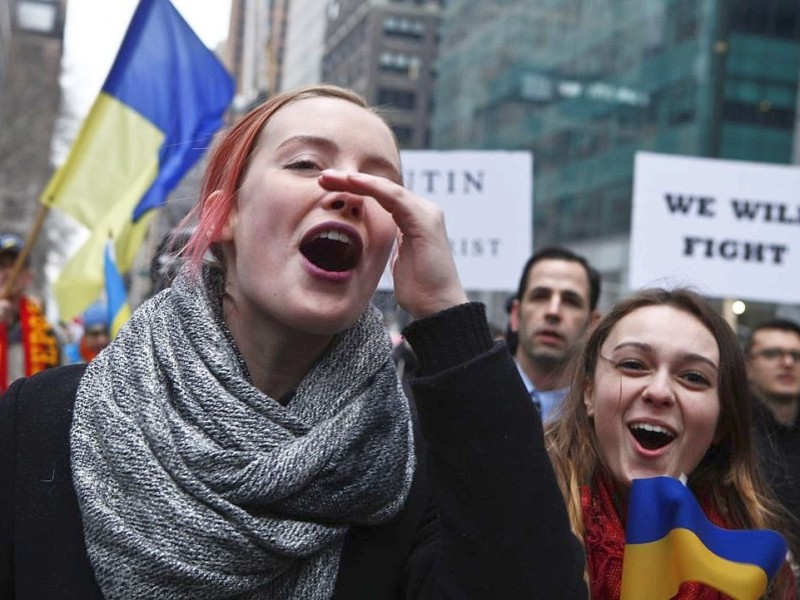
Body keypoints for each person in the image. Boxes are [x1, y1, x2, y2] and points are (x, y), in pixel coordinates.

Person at [0, 85, 586, 599]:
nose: (350, 190)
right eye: (306, 163)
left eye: (380, 181)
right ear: (223, 216)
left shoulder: (416, 465)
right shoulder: (37, 423)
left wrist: (447, 317)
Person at [545, 288, 797, 598]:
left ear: (721, 422)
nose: (660, 391)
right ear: (589, 393)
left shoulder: (761, 571)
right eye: (634, 365)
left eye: (693, 377)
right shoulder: (517, 518)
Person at [508, 246, 601, 421]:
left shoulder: (604, 418)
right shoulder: (475, 395)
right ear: (515, 315)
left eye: (571, 301)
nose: (553, 311)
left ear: (592, 325)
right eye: (540, 296)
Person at [746, 318, 800, 563]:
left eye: (796, 356)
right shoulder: (727, 432)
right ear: (748, 366)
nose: (788, 363)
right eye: (772, 354)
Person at [0, 232, 61, 392]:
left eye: (17, 265)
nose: (8, 272)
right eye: (1, 265)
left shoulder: (46, 331)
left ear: (28, 277)